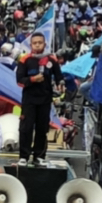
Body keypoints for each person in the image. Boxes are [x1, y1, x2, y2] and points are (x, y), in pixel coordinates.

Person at [15, 32, 62, 166]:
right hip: (29, 100)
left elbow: (59, 76)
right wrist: (33, 79)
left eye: (40, 43)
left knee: (42, 129)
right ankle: (24, 156)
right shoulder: (25, 60)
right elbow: (19, 81)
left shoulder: (51, 60)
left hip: (45, 100)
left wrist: (61, 84)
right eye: (35, 43)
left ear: (44, 44)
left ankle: (39, 156)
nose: (37, 45)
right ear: (30, 45)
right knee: (26, 128)